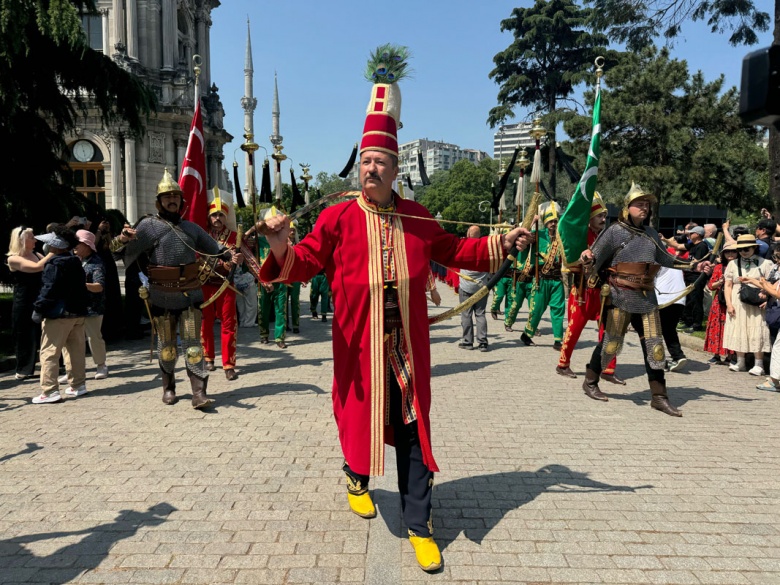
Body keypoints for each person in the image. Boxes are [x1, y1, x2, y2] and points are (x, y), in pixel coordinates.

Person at [256, 45, 532, 573]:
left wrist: (507, 241)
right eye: (365, 162)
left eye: (380, 162)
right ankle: (356, 476)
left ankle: (418, 524)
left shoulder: (418, 216)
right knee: (357, 416)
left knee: (412, 426)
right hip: (357, 345)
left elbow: (456, 252)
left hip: (406, 345)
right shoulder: (336, 218)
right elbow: (305, 262)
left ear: (396, 167)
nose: (371, 169)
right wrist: (277, 245)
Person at [111, 168, 240, 408]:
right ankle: (169, 387)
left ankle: (199, 393)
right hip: (161, 296)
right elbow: (115, 250)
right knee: (167, 347)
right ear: (159, 202)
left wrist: (232, 255)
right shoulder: (148, 226)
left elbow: (216, 248)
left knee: (193, 346)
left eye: (176, 197)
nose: (172, 200)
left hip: (190, 294)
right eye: (167, 197)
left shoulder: (192, 228)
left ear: (182, 201)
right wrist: (123, 239)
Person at [580, 182, 710, 416]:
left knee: (655, 347)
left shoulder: (650, 234)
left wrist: (695, 264)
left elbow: (666, 259)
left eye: (647, 205)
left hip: (647, 298)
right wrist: (587, 257)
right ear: (627, 207)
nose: (644, 208)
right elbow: (593, 258)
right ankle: (590, 381)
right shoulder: (614, 231)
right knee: (611, 344)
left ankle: (659, 397)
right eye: (639, 204)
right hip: (620, 294)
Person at [556, 193, 621, 383]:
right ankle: (563, 364)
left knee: (610, 330)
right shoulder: (580, 235)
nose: (603, 219)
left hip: (604, 291)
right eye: (599, 216)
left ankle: (608, 369)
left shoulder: (607, 236)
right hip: (583, 291)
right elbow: (571, 258)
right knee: (574, 329)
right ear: (589, 218)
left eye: (604, 216)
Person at [30, 227, 89, 403]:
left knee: (49, 353)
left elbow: (49, 290)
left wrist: (39, 309)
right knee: (75, 351)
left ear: (55, 245)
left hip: (59, 315)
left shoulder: (54, 264)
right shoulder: (75, 261)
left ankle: (50, 391)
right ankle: (78, 385)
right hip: (77, 313)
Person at [200, 189, 242, 381]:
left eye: (221, 215)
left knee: (229, 324)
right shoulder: (201, 236)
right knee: (205, 322)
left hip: (226, 286)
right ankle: (208, 357)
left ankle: (229, 364)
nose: (217, 218)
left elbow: (249, 259)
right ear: (209, 217)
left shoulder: (235, 237)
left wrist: (263, 278)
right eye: (214, 214)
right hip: (206, 284)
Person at [5, 226, 54, 380]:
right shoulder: (13, 258)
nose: (35, 240)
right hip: (24, 300)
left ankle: (53, 366)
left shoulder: (37, 254)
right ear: (21, 240)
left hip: (40, 298)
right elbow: (36, 268)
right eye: (31, 237)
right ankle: (24, 369)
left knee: (46, 332)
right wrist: (53, 251)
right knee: (24, 333)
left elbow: (46, 267)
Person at [61, 229, 108, 381]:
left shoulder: (96, 263)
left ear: (87, 245)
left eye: (78, 244)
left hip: (92, 307)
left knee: (94, 337)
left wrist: (81, 284)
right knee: (70, 339)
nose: (74, 247)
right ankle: (72, 370)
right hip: (74, 306)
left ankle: (101, 365)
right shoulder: (73, 259)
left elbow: (99, 286)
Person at [722, 234, 772, 376]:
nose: (744, 251)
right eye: (741, 249)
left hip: (757, 301)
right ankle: (740, 361)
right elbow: (728, 285)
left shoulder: (765, 263)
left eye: (747, 248)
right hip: (738, 301)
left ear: (754, 248)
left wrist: (766, 298)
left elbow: (772, 283)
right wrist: (729, 304)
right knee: (738, 329)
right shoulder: (733, 264)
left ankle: (759, 364)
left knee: (757, 330)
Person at [521, 202, 565, 350]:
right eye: (550, 221)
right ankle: (527, 334)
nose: (553, 224)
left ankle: (558, 340)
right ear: (545, 222)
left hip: (557, 280)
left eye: (555, 221)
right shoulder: (538, 235)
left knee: (558, 309)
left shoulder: (561, 237)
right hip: (541, 279)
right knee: (537, 309)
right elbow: (522, 234)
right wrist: (533, 221)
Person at [458, 226, 490, 351]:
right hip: (482, 286)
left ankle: (468, 341)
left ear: (468, 234)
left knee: (466, 314)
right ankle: (482, 342)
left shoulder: (464, 245)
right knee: (480, 314)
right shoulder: (485, 247)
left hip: (466, 285)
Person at [704, 242, 738, 365]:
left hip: (734, 301)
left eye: (733, 251)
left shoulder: (740, 266)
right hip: (719, 302)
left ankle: (730, 356)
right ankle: (716, 354)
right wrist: (720, 282)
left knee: (731, 327)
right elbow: (710, 286)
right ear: (723, 254)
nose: (730, 254)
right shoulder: (719, 267)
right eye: (727, 252)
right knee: (716, 326)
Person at [654, 266, 688, 372]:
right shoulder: (672, 260)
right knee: (669, 329)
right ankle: (678, 356)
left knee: (654, 331)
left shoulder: (654, 257)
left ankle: (659, 360)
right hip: (679, 298)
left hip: (663, 299)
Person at [488, 223, 515, 320]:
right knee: (499, 296)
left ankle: (508, 320)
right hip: (500, 277)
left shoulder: (516, 248)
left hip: (512, 276)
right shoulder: (499, 249)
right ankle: (494, 309)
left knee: (510, 299)